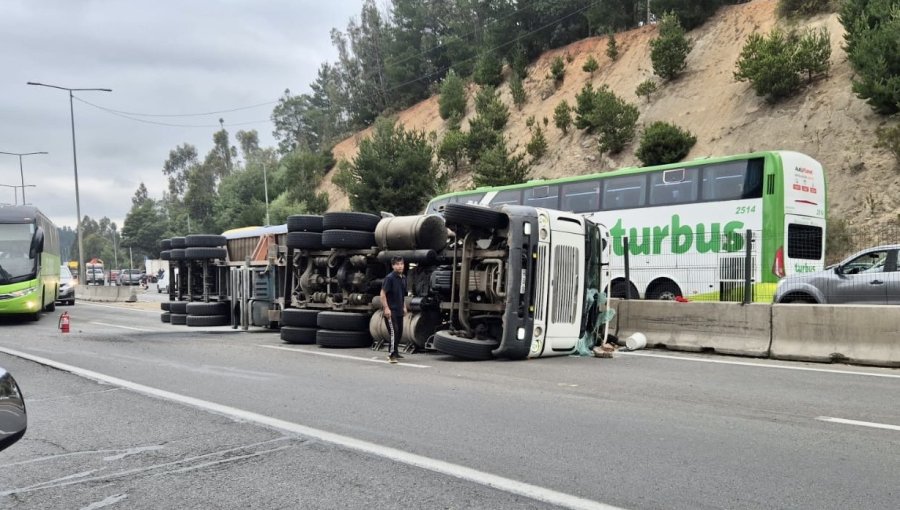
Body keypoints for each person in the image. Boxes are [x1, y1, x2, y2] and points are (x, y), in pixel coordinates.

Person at [380, 256, 408, 363]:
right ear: (393, 266)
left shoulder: (403, 278)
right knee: (394, 331)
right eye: (397, 264)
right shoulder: (389, 278)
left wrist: (404, 306)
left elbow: (402, 295)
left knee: (399, 332)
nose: (400, 266)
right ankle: (391, 355)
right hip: (391, 310)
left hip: (399, 309)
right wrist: (386, 308)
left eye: (401, 264)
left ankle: (396, 352)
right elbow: (382, 294)